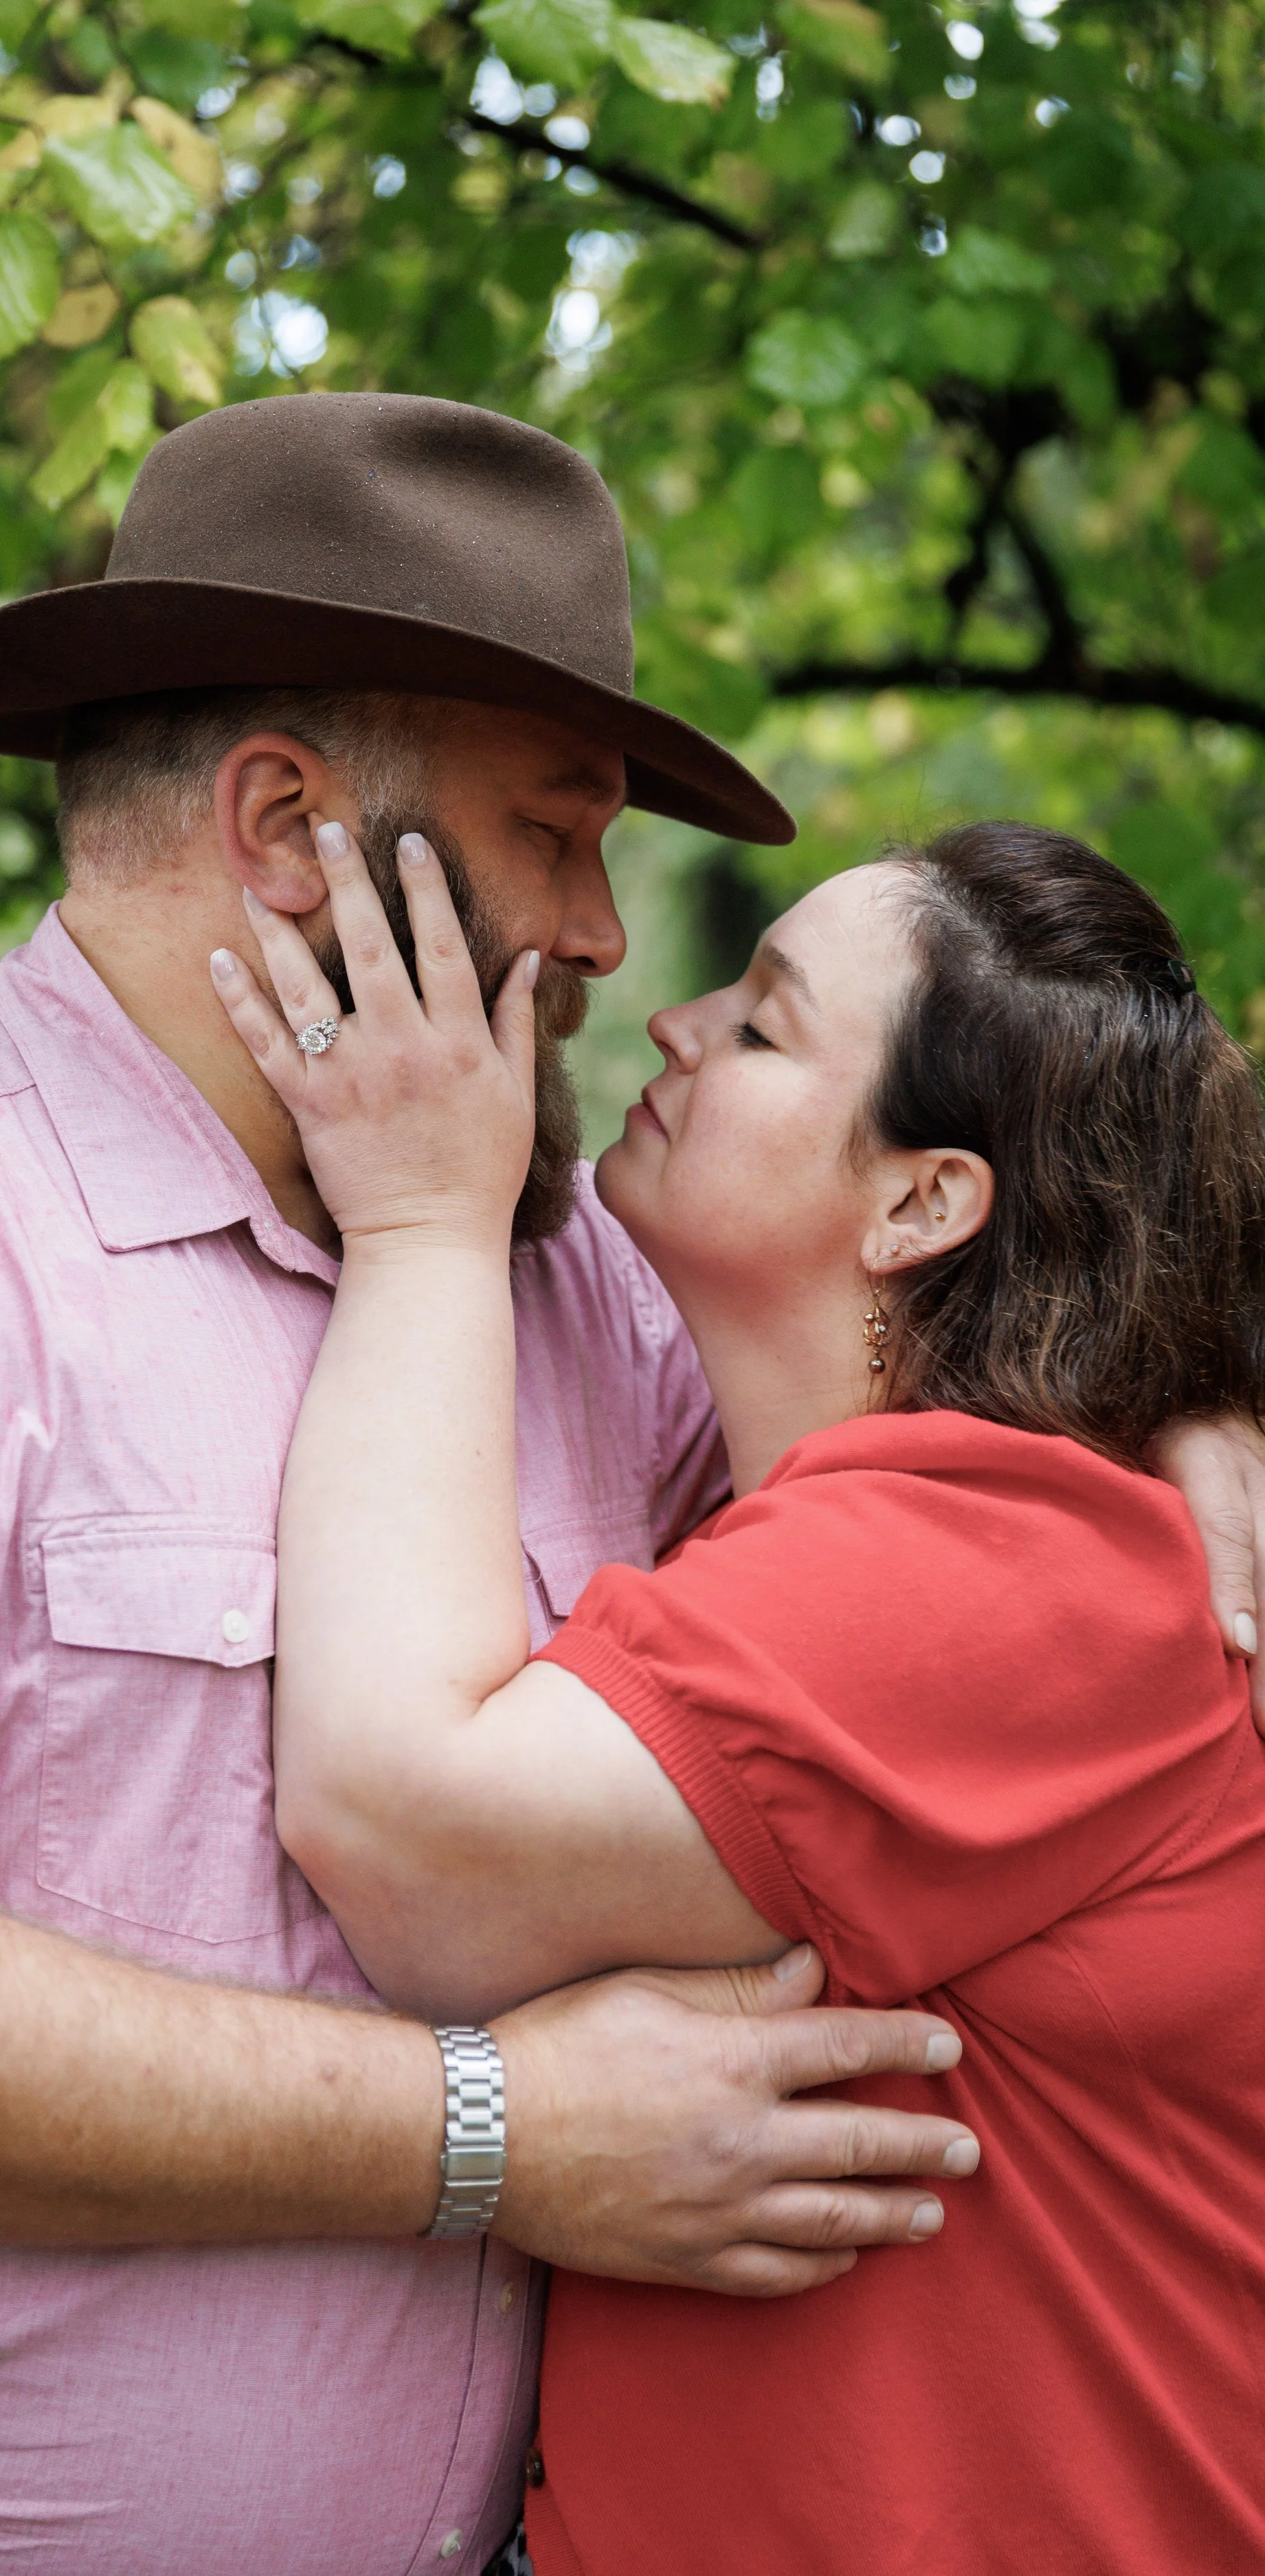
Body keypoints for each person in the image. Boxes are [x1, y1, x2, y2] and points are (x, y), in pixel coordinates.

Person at [0, 394, 998, 2576]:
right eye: (555, 831)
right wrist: (497, 2134)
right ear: (292, 823)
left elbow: (940, 1461)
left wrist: (1205, 1448)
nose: (605, 936)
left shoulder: (584, 1289)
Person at [216, 815, 1265, 2574]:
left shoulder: (1006, 1558)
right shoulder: (933, 1524)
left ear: (923, 1201)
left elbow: (408, 1832)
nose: (675, 1019)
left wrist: (416, 1223)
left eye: (765, 1022)